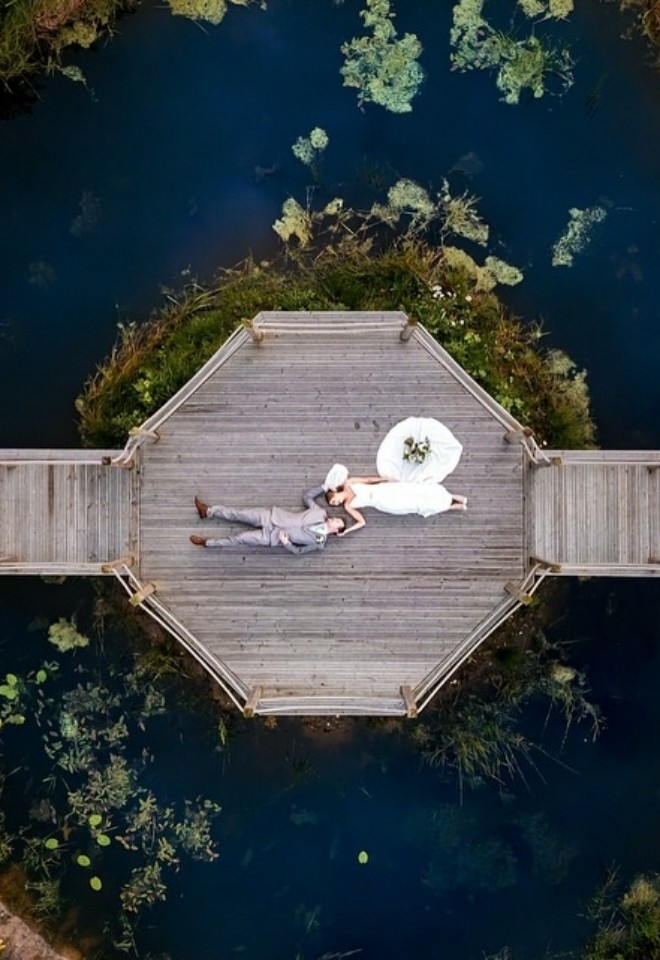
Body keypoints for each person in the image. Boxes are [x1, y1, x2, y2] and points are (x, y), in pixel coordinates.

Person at [189, 487, 345, 555]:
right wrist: (324, 487)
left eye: (337, 523)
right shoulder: (319, 512)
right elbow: (307, 497)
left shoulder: (319, 542)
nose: (334, 519)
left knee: (240, 539)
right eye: (337, 518)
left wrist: (286, 543)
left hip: (273, 537)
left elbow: (298, 551)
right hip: (272, 516)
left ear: (336, 532)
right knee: (238, 514)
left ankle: (206, 543)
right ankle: (208, 511)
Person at [325, 477, 467, 535]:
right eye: (334, 505)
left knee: (416, 490)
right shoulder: (348, 506)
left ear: (334, 493)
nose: (336, 503)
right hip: (385, 503)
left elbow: (368, 479)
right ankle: (451, 507)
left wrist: (385, 479)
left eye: (334, 500)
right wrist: (346, 531)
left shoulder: (348, 483)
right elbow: (362, 522)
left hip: (384, 489)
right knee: (415, 504)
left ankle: (452, 496)